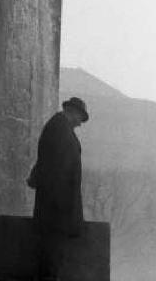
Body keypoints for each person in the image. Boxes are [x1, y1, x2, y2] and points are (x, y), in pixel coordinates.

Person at [28, 96, 89, 281]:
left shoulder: (58, 127)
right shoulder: (59, 129)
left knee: (51, 260)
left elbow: (45, 163)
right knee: (51, 260)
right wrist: (65, 209)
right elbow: (56, 171)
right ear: (73, 112)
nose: (80, 123)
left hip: (54, 210)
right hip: (56, 212)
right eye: (81, 118)